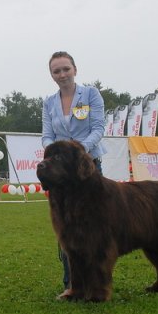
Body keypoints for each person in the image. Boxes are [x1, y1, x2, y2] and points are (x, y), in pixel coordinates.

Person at [41, 51, 106, 299]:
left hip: (87, 168)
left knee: (93, 228)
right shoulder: (49, 103)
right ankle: (72, 283)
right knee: (66, 227)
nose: (62, 74)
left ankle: (96, 281)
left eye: (66, 69)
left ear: (75, 69)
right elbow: (47, 134)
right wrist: (52, 154)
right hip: (61, 175)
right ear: (52, 75)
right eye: (56, 71)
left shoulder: (90, 94)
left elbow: (98, 128)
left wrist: (79, 151)